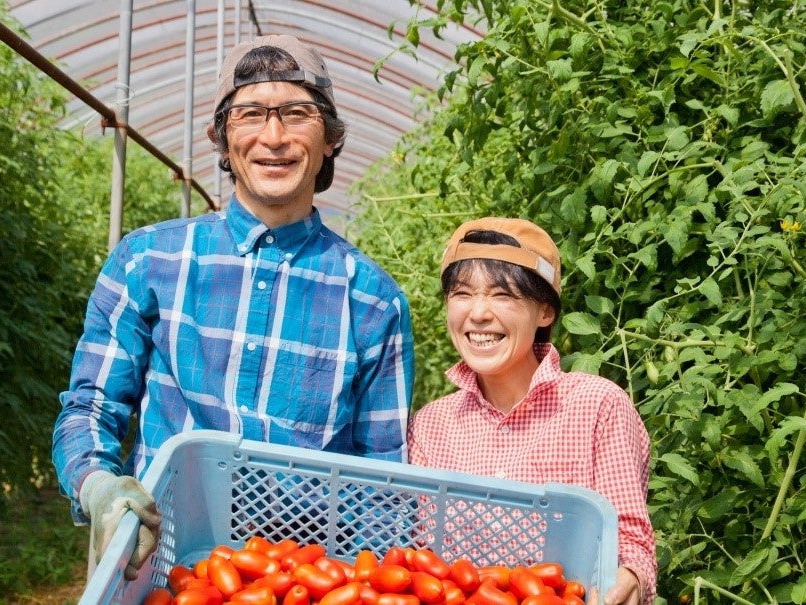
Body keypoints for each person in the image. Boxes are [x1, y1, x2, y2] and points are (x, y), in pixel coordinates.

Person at [52, 34, 415, 580]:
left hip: (303, 580)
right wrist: (99, 486)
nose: (274, 137)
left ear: (331, 139)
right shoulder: (148, 260)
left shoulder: (371, 299)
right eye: (249, 115)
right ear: (221, 139)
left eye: (298, 114)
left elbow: (382, 479)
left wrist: (368, 582)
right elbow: (91, 407)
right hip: (164, 570)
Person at [407, 217, 656, 605]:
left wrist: (630, 579)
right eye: (462, 293)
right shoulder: (429, 427)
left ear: (545, 312)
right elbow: (419, 558)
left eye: (502, 295)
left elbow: (629, 540)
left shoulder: (598, 407)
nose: (478, 314)